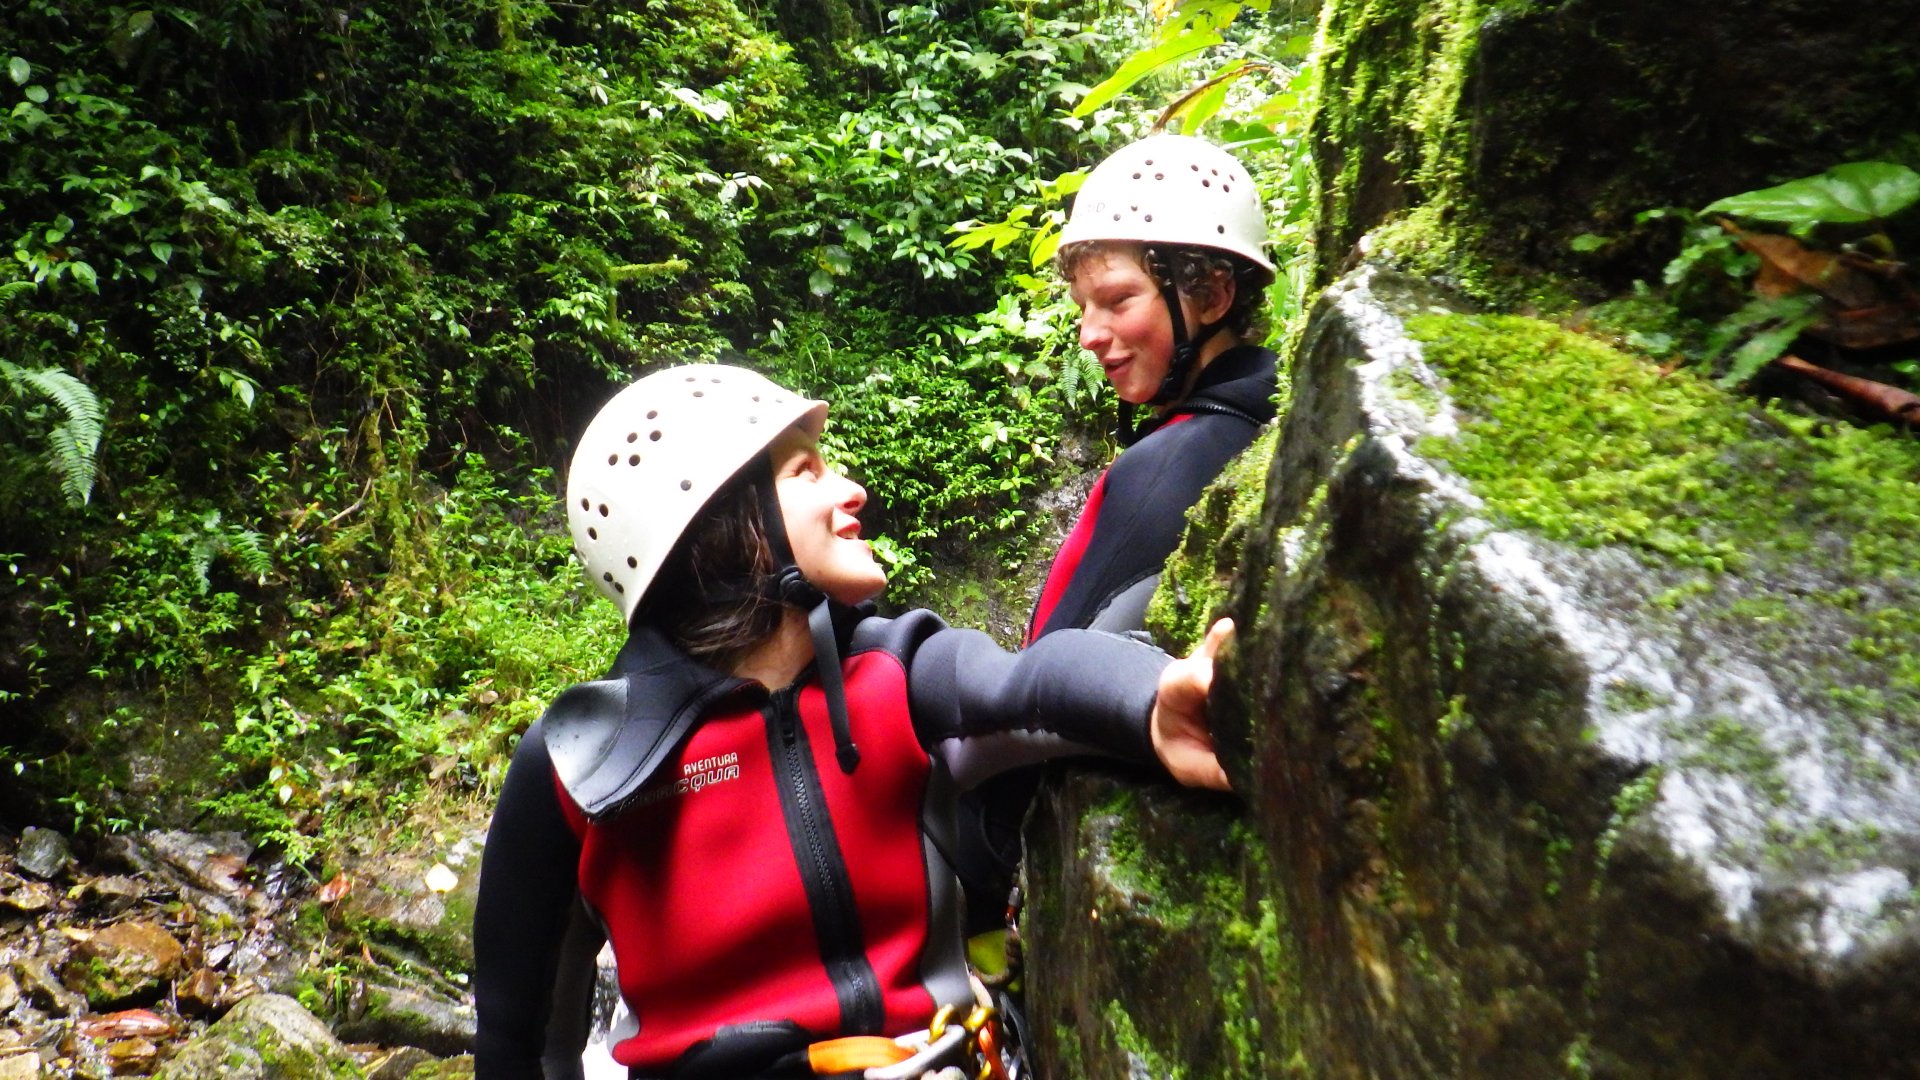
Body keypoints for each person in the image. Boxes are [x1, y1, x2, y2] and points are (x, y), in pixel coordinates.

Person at [471, 364, 1235, 1080]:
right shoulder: (582, 761)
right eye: (807, 472)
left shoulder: (895, 671)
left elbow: (1035, 680)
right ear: (719, 520)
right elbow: (520, 1036)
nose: (854, 490)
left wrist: (1154, 703)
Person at [953, 132, 1278, 957]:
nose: (1091, 333)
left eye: (1118, 299)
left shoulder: (1164, 467)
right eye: (1082, 308)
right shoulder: (1288, 421)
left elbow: (1047, 672)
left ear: (1207, 292)